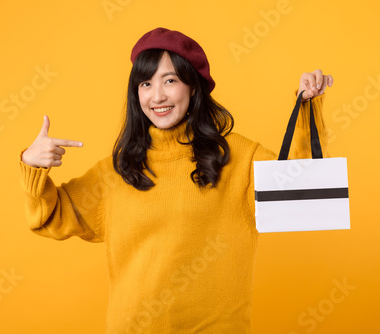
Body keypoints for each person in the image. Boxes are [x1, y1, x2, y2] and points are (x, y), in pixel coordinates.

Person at [19, 27, 333, 334]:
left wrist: (307, 110)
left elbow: (303, 194)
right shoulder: (117, 171)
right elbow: (50, 218)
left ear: (193, 87)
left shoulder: (238, 157)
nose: (157, 96)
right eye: (145, 83)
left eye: (170, 80)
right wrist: (32, 166)